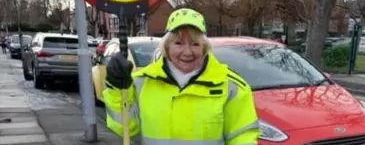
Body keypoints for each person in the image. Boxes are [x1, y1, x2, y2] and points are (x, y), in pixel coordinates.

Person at [103, 8, 260, 144]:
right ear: (166, 46)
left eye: (195, 44)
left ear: (204, 48)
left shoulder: (231, 87)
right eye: (178, 43)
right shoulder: (141, 82)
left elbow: (242, 137)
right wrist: (115, 88)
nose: (187, 52)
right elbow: (126, 128)